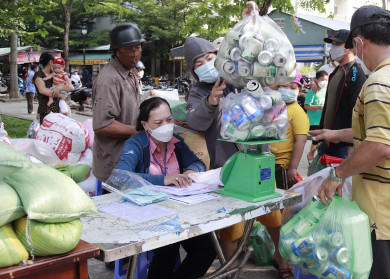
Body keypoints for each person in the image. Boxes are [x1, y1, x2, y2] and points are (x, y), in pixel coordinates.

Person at [310, 6, 390, 279]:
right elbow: (388, 131)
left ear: (360, 42)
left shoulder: (381, 83)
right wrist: (338, 134)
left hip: (385, 212)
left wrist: (337, 174)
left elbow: (380, 145)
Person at [184, 28, 291, 278]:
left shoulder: (238, 79)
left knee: (273, 216)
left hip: (259, 158)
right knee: (231, 225)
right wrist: (211, 101)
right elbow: (196, 122)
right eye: (199, 63)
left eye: (210, 58)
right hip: (227, 167)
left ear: (219, 57)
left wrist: (250, 26)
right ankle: (230, 267)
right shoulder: (198, 92)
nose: (206, 65)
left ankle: (282, 260)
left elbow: (255, 64)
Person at [116, 97, 216, 279]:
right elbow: (121, 176)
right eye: (158, 122)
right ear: (145, 125)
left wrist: (190, 172)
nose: (166, 125)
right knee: (168, 247)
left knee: (207, 249)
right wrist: (164, 179)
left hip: (178, 209)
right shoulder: (136, 143)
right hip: (147, 212)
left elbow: (198, 163)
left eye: (169, 119)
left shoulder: (176, 141)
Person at [92, 23, 144, 183]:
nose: (135, 54)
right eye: (128, 49)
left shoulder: (132, 72)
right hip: (113, 162)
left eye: (138, 47)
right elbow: (103, 124)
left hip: (130, 158)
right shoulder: (109, 80)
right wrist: (140, 131)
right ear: (115, 51)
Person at [315, 29, 367, 160]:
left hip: (343, 145)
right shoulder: (336, 72)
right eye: (333, 44)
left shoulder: (356, 73)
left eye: (338, 45)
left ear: (350, 47)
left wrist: (351, 142)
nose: (334, 48)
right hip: (328, 141)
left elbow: (358, 110)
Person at [272, 72, 309, 189]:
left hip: (282, 165)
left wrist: (293, 168)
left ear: (300, 92)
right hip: (268, 160)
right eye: (283, 86)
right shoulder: (274, 106)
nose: (287, 90)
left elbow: (301, 141)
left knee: (280, 199)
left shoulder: (297, 112)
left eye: (292, 87)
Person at [33, 53, 67, 123]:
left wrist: (59, 88)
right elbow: (43, 90)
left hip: (58, 110)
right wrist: (60, 94)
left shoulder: (57, 75)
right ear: (51, 62)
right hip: (45, 110)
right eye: (56, 61)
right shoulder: (39, 75)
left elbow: (69, 87)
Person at [305, 70, 328, 162]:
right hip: (314, 120)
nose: (324, 82)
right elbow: (306, 105)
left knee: (323, 139)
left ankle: (318, 156)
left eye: (326, 80)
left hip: (323, 119)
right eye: (322, 79)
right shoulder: (312, 91)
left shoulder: (327, 90)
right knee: (316, 139)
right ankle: (311, 154)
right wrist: (319, 107)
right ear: (316, 80)